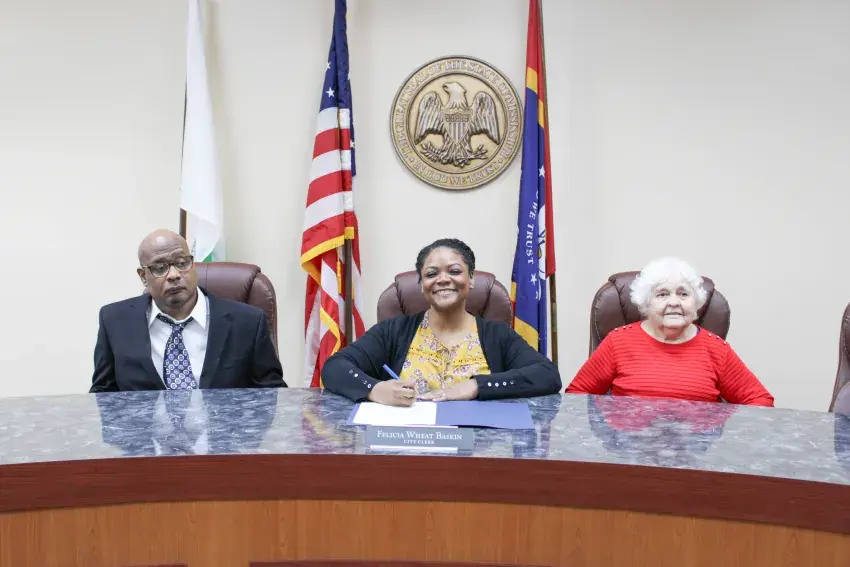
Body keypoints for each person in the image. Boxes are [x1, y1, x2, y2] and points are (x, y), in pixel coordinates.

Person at [321, 238, 561, 405]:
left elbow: (547, 375)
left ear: (471, 279)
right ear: (421, 284)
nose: (442, 279)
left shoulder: (498, 336)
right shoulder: (393, 331)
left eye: (454, 271)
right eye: (431, 274)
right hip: (408, 446)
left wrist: (478, 386)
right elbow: (335, 367)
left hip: (478, 449)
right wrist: (373, 389)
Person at [90, 229, 286, 392]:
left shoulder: (248, 323)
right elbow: (103, 398)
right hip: (144, 429)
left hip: (226, 428)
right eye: (160, 268)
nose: (174, 275)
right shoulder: (114, 321)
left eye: (182, 263)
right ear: (143, 276)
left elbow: (272, 397)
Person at [566, 257, 774, 406]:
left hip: (695, 450)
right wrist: (606, 429)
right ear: (646, 303)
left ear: (696, 303)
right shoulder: (618, 342)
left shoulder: (716, 349)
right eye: (662, 294)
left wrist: (724, 435)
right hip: (629, 448)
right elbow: (577, 396)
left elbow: (760, 401)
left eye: (683, 294)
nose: (674, 302)